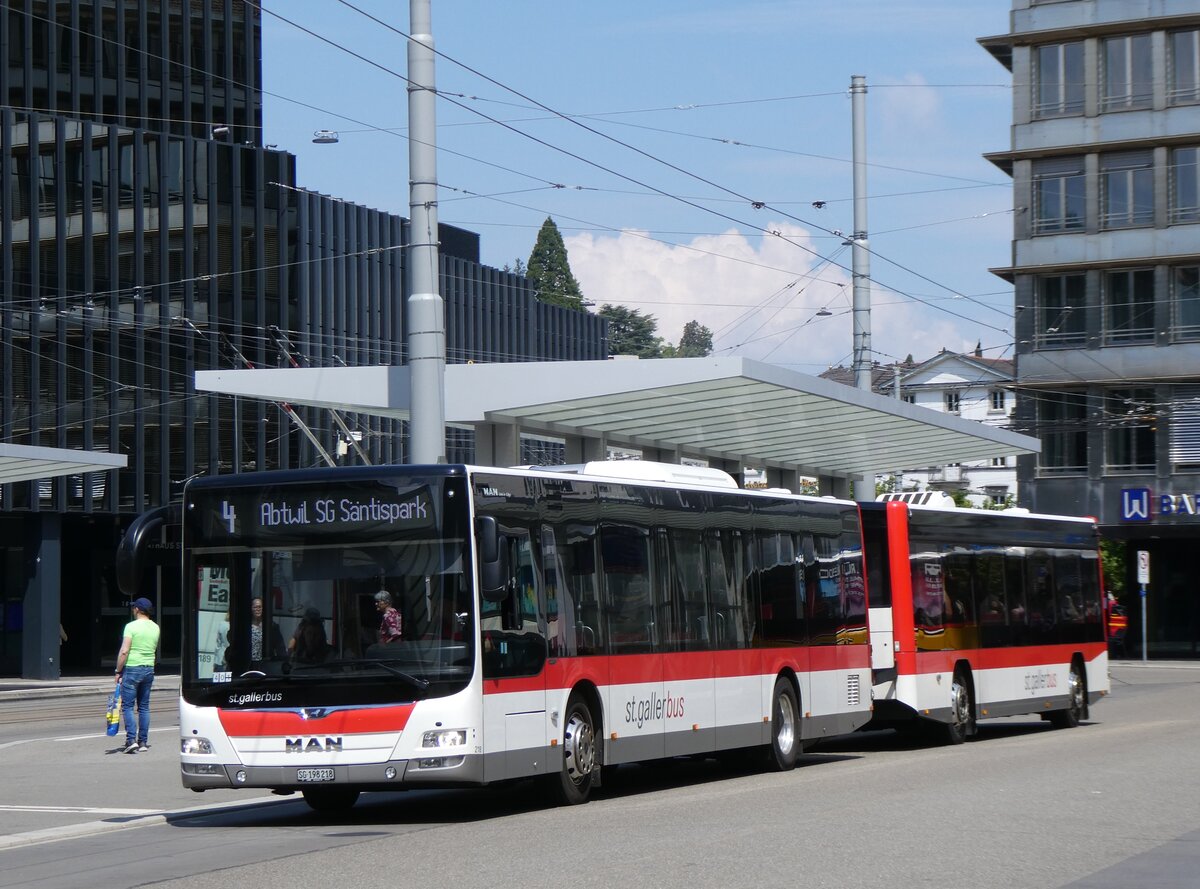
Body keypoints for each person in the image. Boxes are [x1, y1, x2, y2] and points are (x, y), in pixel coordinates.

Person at [114, 597, 160, 754]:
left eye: (134, 607)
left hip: (133, 668)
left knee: (127, 706)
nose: (133, 610)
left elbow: (124, 651)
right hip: (149, 669)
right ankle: (143, 742)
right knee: (144, 707)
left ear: (138, 609)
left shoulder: (131, 626)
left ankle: (131, 740)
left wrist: (118, 670)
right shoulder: (156, 627)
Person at [250, 596, 286, 665]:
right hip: (249, 663)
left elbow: (280, 646)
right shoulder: (245, 626)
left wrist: (282, 662)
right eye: (255, 607)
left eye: (260, 607)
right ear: (251, 609)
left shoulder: (272, 626)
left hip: (266, 664)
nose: (258, 609)